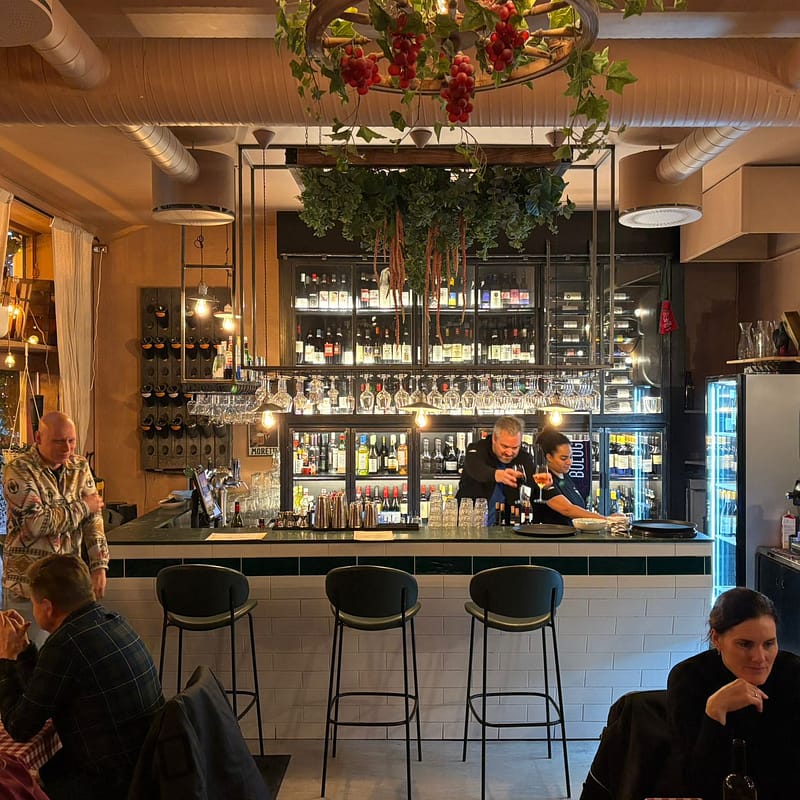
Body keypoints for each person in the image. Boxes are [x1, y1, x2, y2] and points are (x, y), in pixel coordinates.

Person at [0, 554, 165, 800]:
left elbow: (19, 728)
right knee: (29, 776)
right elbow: (43, 694)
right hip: (145, 767)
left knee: (14, 789)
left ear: (47, 607)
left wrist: (5, 660)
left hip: (114, 784)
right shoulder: (112, 621)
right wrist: (22, 651)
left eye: (33, 604)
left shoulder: (65, 645)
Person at [666, 587, 800, 800]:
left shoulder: (792, 673)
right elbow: (692, 783)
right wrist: (715, 711)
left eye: (769, 644)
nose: (760, 657)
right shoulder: (689, 678)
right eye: (745, 644)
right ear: (716, 639)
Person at [2, 411, 108, 646]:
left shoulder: (80, 466)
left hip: (69, 585)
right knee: (25, 656)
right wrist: (84, 506)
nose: (67, 447)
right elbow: (36, 523)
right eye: (59, 441)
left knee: (68, 656)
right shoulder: (18, 470)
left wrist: (99, 565)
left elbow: (93, 519)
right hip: (29, 588)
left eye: (71, 440)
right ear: (38, 438)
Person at [456, 415, 534, 524]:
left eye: (515, 447)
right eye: (505, 446)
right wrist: (496, 475)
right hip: (469, 522)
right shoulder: (477, 449)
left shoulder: (524, 458)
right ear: (494, 439)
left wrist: (544, 486)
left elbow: (531, 489)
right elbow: (474, 467)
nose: (509, 452)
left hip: (507, 526)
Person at [528, 427, 607, 525]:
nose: (569, 462)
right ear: (549, 457)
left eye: (571, 457)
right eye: (563, 458)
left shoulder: (566, 477)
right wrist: (606, 520)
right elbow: (568, 510)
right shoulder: (545, 480)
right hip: (551, 534)